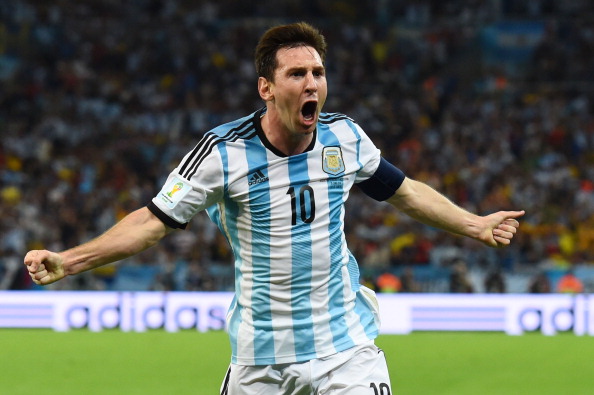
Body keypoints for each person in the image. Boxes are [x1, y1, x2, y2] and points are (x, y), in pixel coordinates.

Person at [24, 22, 524, 394]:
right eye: (297, 74)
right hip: (261, 361)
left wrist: (475, 224)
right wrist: (70, 260)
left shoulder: (344, 137)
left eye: (319, 73)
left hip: (345, 349)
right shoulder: (221, 153)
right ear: (266, 88)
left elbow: (406, 191)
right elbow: (152, 223)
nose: (312, 84)